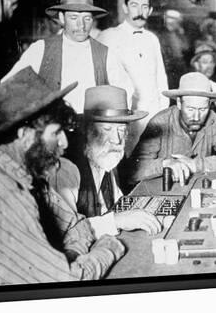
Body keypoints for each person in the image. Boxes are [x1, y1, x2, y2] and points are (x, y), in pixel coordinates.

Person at [0, 67, 125, 285]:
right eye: (55, 133)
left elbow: (77, 226)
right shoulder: (3, 190)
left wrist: (68, 257)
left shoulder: (30, 177)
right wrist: (109, 247)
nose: (64, 143)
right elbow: (66, 279)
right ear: (25, 136)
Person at [1, 0, 132, 113]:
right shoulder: (40, 49)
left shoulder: (106, 54)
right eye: (74, 18)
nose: (81, 25)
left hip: (92, 129)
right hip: (53, 131)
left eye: (87, 18)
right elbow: (8, 89)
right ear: (62, 18)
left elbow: (126, 92)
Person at [53, 85, 162, 234]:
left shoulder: (105, 157)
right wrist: (118, 221)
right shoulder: (65, 170)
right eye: (107, 130)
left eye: (121, 130)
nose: (117, 140)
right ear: (87, 129)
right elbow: (68, 232)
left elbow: (118, 203)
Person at [130, 72, 216, 185]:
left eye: (202, 110)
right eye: (190, 109)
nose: (196, 117)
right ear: (179, 103)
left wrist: (194, 165)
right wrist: (165, 164)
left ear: (210, 105)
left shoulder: (213, 120)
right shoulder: (160, 123)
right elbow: (133, 171)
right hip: (161, 192)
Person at [98, 0, 169, 155]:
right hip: (124, 115)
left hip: (152, 114)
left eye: (144, 7)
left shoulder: (152, 39)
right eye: (134, 5)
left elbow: (161, 78)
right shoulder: (109, 36)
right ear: (125, 8)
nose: (140, 11)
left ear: (150, 10)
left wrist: (162, 114)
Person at [158, 9, 191, 89]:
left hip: (180, 68)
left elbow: (186, 48)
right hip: (169, 69)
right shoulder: (161, 36)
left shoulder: (180, 35)